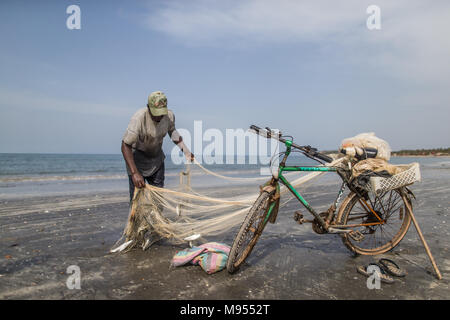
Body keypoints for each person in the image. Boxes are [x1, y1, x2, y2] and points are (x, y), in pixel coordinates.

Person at [121, 91, 194, 202]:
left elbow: (172, 132)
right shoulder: (139, 118)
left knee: (158, 198)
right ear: (148, 107)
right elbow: (125, 145)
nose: (159, 116)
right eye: (156, 113)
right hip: (137, 161)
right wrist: (134, 173)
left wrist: (186, 151)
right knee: (137, 199)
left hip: (156, 160)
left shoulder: (169, 116)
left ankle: (156, 218)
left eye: (161, 113)